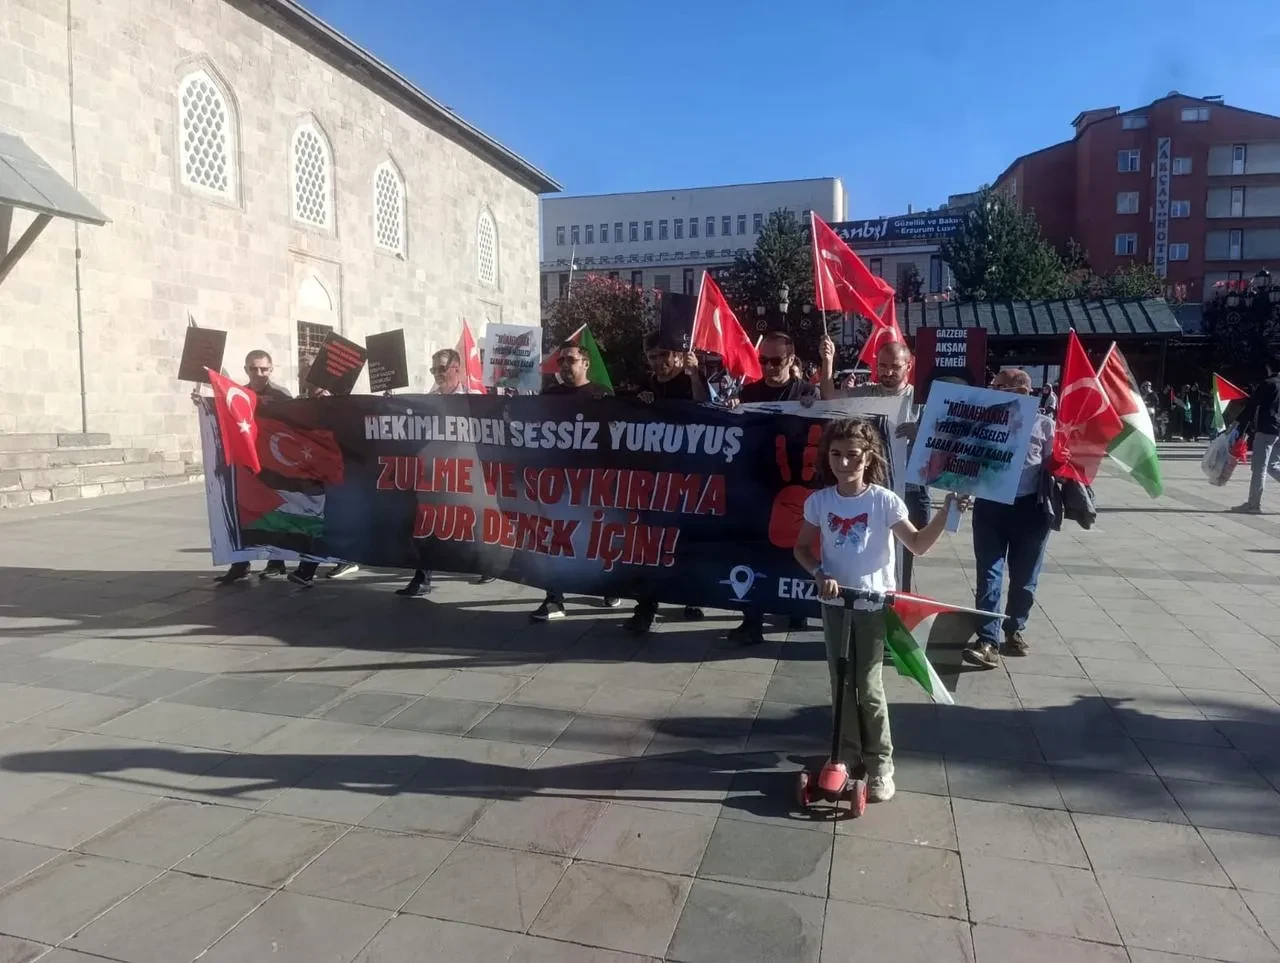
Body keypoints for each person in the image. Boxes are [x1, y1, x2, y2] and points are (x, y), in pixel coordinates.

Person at [792, 418, 963, 803]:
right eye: (836, 454)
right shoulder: (819, 501)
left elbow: (918, 544)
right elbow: (801, 549)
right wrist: (819, 573)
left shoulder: (883, 501)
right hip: (835, 604)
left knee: (868, 686)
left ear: (868, 457)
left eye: (853, 455)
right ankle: (847, 755)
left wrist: (946, 509)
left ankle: (881, 764)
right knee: (841, 683)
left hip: (871, 606)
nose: (844, 463)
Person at [818, 335, 930, 594]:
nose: (888, 372)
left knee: (906, 554)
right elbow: (830, 397)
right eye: (883, 366)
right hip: (874, 490)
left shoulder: (922, 399)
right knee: (873, 552)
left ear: (908, 366)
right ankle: (868, 600)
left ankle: (900, 604)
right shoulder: (867, 392)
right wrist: (828, 361)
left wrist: (922, 432)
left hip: (912, 490)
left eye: (895, 367)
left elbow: (949, 436)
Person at [962, 368, 1055, 669]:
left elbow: (1059, 466)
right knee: (989, 574)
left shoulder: (1045, 425)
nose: (993, 390)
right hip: (989, 507)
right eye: (993, 386)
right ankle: (987, 640)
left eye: (999, 386)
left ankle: (1014, 629)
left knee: (1025, 577)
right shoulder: (982, 421)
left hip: (1030, 510)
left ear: (1021, 393)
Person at [730, 332, 818, 645]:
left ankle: (796, 609)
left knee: (795, 552)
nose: (768, 366)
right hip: (759, 486)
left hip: (797, 489)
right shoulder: (749, 392)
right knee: (756, 552)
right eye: (763, 360)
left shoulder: (807, 393)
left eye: (776, 360)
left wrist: (816, 402)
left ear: (791, 360)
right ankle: (751, 619)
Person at [530, 341, 622, 620]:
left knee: (597, 536)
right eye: (561, 361)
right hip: (558, 479)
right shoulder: (551, 395)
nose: (564, 366)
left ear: (585, 364)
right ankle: (554, 598)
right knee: (554, 536)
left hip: (594, 479)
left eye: (570, 360)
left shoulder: (603, 395)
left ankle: (609, 586)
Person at [627, 332, 708, 633]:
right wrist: (640, 402)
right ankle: (645, 610)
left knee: (686, 540)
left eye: (664, 355)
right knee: (650, 546)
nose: (659, 362)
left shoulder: (690, 382)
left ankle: (691, 598)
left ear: (677, 355)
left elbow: (706, 406)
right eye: (653, 357)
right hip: (652, 479)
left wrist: (695, 374)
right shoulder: (645, 385)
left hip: (687, 475)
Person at [398, 348, 490, 597]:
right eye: (433, 370)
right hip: (435, 471)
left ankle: (488, 564)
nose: (437, 374)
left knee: (474, 520)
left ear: (457, 369)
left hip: (466, 471)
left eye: (441, 369)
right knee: (426, 520)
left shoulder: (473, 398)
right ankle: (422, 577)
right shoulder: (429, 399)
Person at [206, 350, 292, 586]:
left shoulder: (282, 395)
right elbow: (223, 415)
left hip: (273, 463)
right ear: (246, 370)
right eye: (254, 369)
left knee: (274, 511)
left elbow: (297, 422)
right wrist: (205, 403)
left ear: (271, 369)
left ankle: (276, 562)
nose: (259, 373)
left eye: (264, 369)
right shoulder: (238, 394)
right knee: (243, 513)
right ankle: (241, 564)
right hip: (245, 463)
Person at [286, 355, 359, 587]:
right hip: (309, 470)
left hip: (332, 472)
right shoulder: (300, 401)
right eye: (300, 375)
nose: (302, 378)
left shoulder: (338, 403)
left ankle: (308, 569)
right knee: (314, 519)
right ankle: (334, 561)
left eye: (305, 374)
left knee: (322, 519)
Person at [1231, 357, 1280, 514]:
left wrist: (1238, 423)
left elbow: (1252, 405)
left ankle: (1253, 505)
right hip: (1278, 430)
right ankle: (1253, 503)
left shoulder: (1268, 383)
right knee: (1272, 466)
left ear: (1268, 367)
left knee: (1260, 468)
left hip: (1266, 428)